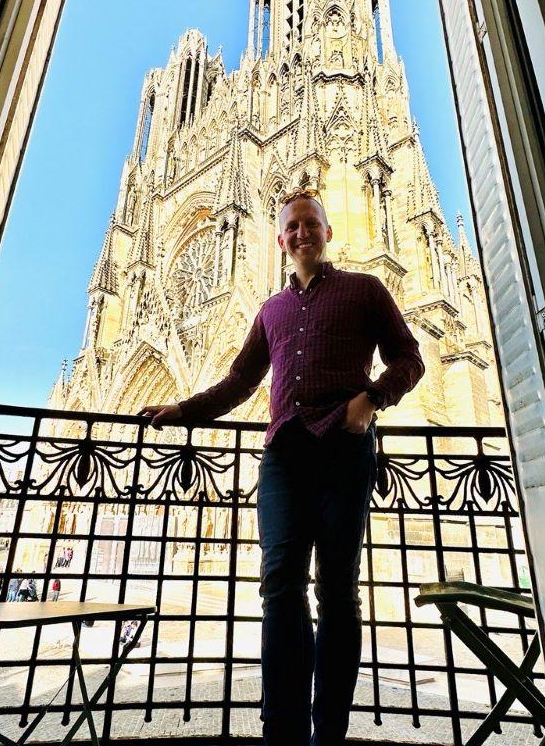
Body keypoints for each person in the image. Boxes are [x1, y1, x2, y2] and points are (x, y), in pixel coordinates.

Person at [139, 188, 425, 746]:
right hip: (284, 457)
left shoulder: (364, 289)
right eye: (291, 227)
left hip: (344, 452)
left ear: (327, 231)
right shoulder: (271, 309)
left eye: (310, 224)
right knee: (278, 588)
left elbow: (410, 358)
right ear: (280, 240)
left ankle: (329, 734)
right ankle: (284, 730)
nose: (301, 233)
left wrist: (371, 401)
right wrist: (181, 410)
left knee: (338, 592)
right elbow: (241, 383)